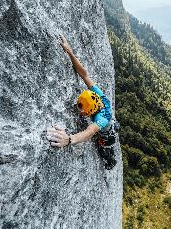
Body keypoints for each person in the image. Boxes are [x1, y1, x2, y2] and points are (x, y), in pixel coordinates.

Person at [46, 35, 118, 170]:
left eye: (83, 111)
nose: (80, 112)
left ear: (92, 111)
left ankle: (110, 159)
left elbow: (90, 132)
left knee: (104, 147)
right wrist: (69, 52)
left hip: (107, 134)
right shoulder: (98, 96)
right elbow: (84, 74)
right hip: (110, 122)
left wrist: (68, 140)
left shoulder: (101, 119)